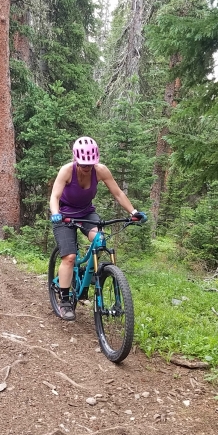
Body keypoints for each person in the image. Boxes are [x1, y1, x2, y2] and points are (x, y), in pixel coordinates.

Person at [48, 136, 147, 321]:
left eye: (90, 164)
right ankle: (65, 299)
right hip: (64, 215)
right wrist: (55, 213)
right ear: (76, 159)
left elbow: (118, 193)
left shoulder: (100, 171)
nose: (87, 167)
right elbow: (54, 196)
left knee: (100, 239)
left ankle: (89, 273)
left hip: (86, 213)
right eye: (83, 164)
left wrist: (134, 211)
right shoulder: (66, 171)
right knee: (69, 257)